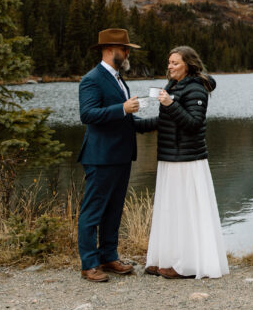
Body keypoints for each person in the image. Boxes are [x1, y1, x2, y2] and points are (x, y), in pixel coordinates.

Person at [136, 46, 228, 279]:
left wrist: (170, 104)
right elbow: (166, 122)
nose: (170, 67)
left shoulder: (196, 88)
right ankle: (165, 259)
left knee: (185, 211)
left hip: (187, 159)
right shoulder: (173, 86)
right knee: (170, 210)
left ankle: (186, 265)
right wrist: (133, 124)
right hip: (170, 157)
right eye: (169, 62)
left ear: (188, 64)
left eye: (175, 63)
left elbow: (193, 123)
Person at [77, 28, 144, 282]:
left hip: (121, 157)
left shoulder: (118, 79)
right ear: (109, 50)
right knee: (93, 212)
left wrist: (160, 121)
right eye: (124, 49)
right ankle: (89, 264)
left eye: (127, 49)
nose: (127, 53)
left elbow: (126, 119)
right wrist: (123, 108)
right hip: (100, 157)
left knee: (114, 210)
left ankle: (108, 256)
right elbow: (88, 115)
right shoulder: (91, 79)